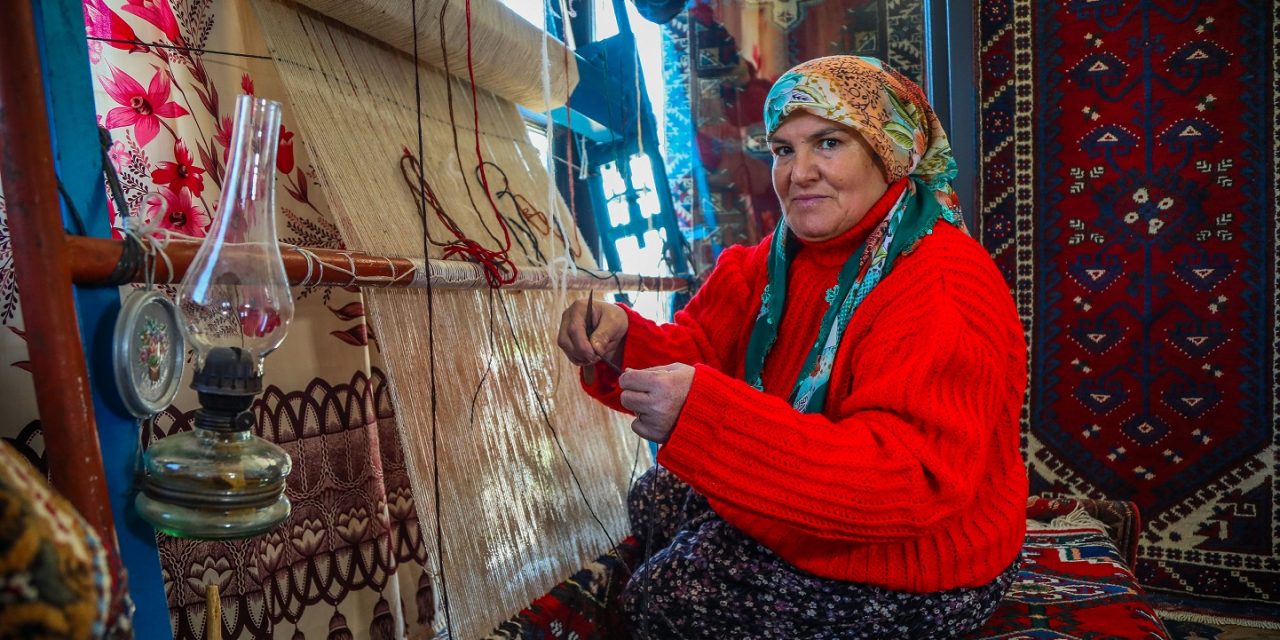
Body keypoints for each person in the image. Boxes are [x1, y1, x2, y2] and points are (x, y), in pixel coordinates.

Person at [557, 55, 1027, 639]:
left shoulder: (941, 283)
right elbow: (702, 346)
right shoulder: (775, 260)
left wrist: (707, 419)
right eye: (782, 149)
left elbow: (910, 481)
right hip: (838, 512)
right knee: (657, 498)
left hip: (919, 559)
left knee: (667, 593)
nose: (798, 172)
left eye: (827, 143)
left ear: (890, 151)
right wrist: (623, 338)